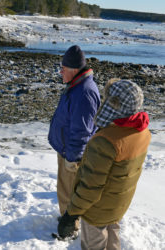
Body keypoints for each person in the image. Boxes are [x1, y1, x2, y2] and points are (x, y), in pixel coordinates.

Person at [58, 79, 151, 249]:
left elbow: (90, 187)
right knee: (113, 240)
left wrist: (71, 214)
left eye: (108, 99)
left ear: (115, 105)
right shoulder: (142, 132)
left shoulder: (106, 142)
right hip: (117, 204)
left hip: (97, 211)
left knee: (94, 245)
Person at [48, 45, 101, 226]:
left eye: (63, 69)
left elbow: (82, 131)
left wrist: (72, 159)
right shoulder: (75, 85)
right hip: (65, 149)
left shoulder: (85, 92)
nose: (60, 72)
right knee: (64, 190)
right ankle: (67, 218)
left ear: (74, 69)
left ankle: (70, 226)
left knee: (70, 192)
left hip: (71, 154)